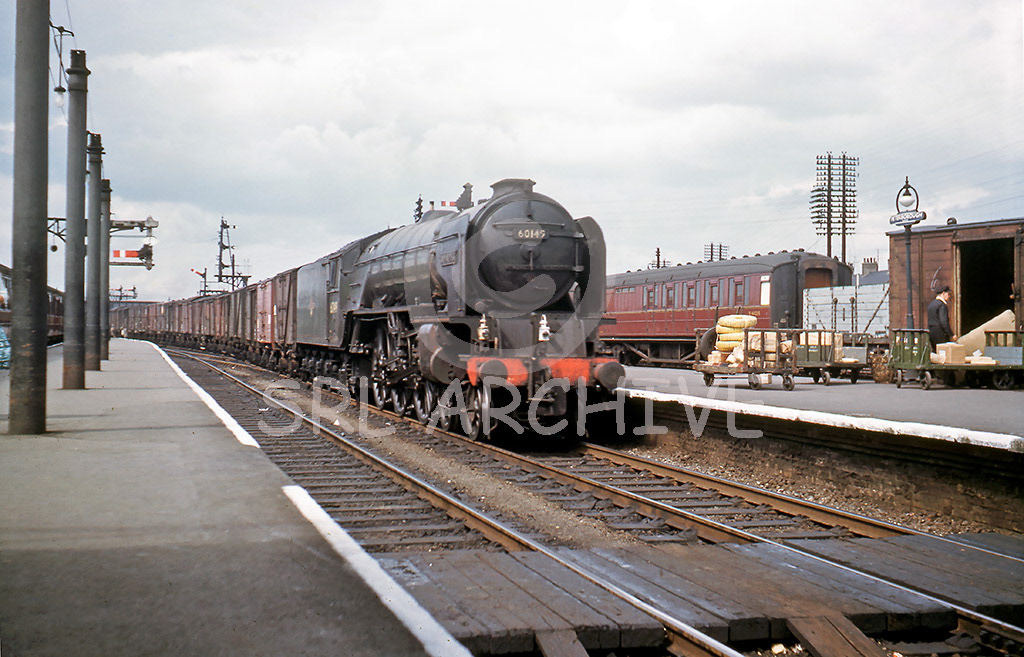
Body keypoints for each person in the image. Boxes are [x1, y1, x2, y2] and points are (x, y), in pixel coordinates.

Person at [927, 285, 955, 350]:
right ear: (943, 293)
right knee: (944, 353)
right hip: (940, 334)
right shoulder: (942, 305)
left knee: (935, 352)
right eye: (948, 294)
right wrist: (951, 335)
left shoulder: (931, 304)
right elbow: (944, 322)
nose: (949, 296)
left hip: (931, 333)